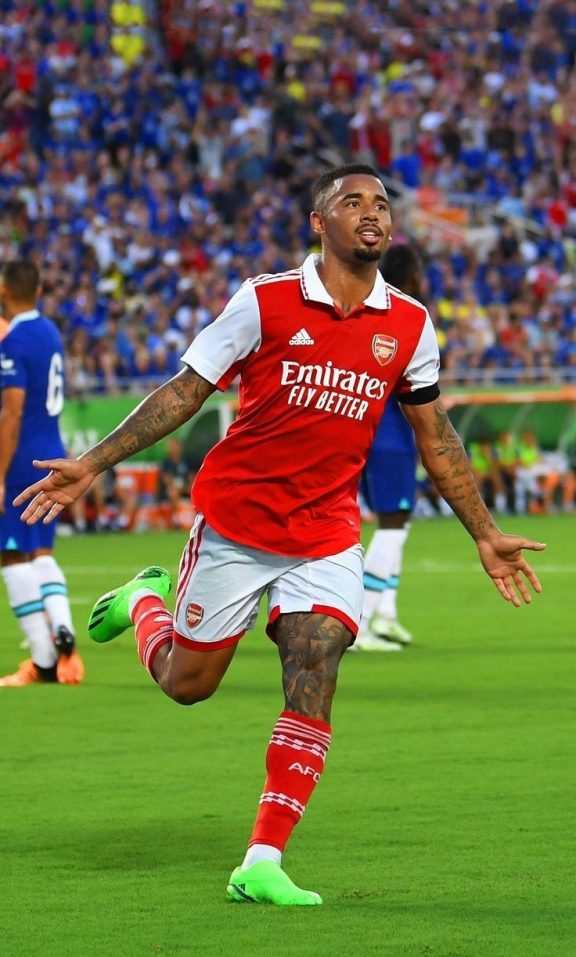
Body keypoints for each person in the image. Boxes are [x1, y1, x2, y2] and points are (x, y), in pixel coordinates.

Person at [14, 165, 545, 905]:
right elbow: (186, 391)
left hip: (326, 531)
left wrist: (484, 532)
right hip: (236, 525)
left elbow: (437, 434)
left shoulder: (410, 323)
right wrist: (96, 461)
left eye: (382, 204)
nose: (373, 213)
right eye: (353, 202)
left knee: (316, 662)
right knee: (188, 686)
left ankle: (262, 860)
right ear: (318, 223)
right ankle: (145, 601)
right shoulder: (264, 301)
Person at [0, 261, 84, 687]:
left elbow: (12, 413)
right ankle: (63, 629)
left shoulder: (14, 341)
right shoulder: (50, 331)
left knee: (11, 553)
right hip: (52, 452)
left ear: (4, 291)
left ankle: (43, 660)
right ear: (36, 291)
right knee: (41, 552)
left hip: (21, 461)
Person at [355, 243, 423, 653]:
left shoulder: (371, 312)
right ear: (410, 275)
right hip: (391, 438)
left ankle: (386, 614)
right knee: (393, 526)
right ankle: (360, 622)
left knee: (399, 525)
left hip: (373, 434)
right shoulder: (406, 318)